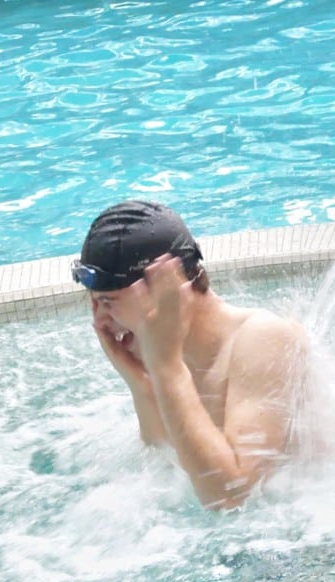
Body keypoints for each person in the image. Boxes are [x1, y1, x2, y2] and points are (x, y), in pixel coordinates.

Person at [72, 199, 309, 510]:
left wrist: (165, 369)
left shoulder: (263, 337)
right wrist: (142, 385)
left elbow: (233, 499)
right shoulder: (175, 358)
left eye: (109, 302)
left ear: (164, 289)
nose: (100, 323)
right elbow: (168, 468)